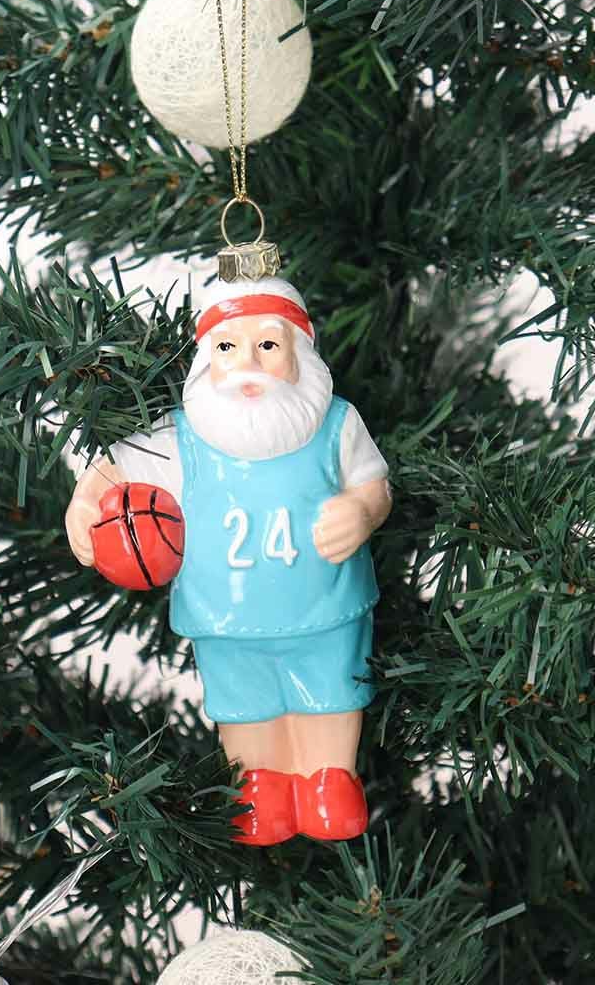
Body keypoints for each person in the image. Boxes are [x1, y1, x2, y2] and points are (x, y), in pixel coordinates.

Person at [66, 276, 392, 845]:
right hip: (224, 615)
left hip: (326, 606)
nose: (248, 363)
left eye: (267, 345)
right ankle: (259, 784)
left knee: (333, 690)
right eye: (227, 347)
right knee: (244, 703)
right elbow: (113, 469)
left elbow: (374, 485)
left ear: (299, 352)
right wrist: (84, 504)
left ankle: (329, 779)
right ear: (206, 359)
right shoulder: (181, 437)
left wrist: (362, 512)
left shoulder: (337, 424)